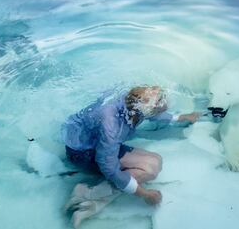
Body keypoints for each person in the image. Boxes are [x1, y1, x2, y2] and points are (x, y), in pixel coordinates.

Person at [61, 86, 200, 227]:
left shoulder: (137, 99)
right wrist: (144, 194)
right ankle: (87, 194)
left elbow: (154, 113)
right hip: (82, 153)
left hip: (92, 139)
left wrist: (183, 117)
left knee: (155, 161)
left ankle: (92, 199)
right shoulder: (112, 124)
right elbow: (108, 167)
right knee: (150, 169)